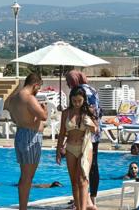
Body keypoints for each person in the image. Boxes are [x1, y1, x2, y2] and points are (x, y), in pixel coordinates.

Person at [4, 73, 47, 210]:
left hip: (20, 135)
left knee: (25, 175)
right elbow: (43, 116)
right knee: (27, 177)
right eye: (38, 88)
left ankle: (23, 206)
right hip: (31, 137)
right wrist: (44, 109)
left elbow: (14, 119)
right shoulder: (29, 98)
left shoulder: (14, 98)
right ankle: (23, 208)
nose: (38, 90)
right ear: (35, 85)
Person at [56, 87, 98, 210]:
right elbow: (62, 133)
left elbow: (96, 130)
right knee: (74, 181)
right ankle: (78, 207)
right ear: (71, 100)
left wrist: (89, 122)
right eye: (74, 101)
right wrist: (58, 151)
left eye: (79, 101)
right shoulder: (66, 113)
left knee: (82, 179)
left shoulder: (89, 111)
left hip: (84, 148)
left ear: (84, 99)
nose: (77, 104)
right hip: (70, 148)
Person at [66, 70, 102, 207]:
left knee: (82, 174)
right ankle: (91, 199)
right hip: (95, 134)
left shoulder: (81, 92)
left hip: (86, 135)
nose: (69, 85)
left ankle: (86, 202)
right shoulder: (92, 89)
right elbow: (99, 111)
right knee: (91, 168)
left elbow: (87, 113)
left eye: (69, 82)